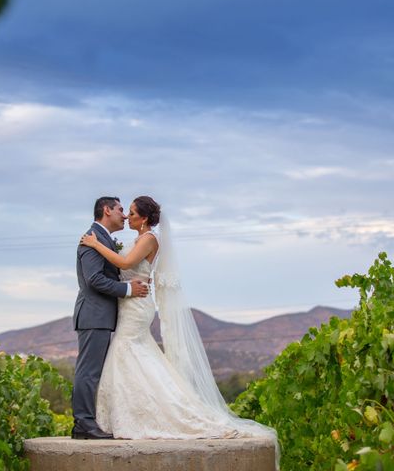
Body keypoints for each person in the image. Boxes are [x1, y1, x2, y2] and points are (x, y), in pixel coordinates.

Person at [79, 196, 278, 463]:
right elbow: (114, 269)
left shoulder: (149, 238)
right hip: (129, 303)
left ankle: (147, 413)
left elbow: (125, 265)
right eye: (124, 211)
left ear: (145, 219)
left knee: (127, 351)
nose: (127, 216)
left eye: (133, 212)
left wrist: (95, 245)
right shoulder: (138, 239)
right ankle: (124, 414)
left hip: (136, 304)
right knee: (132, 354)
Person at [71, 197, 150, 440]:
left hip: (103, 315)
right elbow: (94, 279)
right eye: (120, 209)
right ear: (106, 210)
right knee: (89, 371)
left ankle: (88, 422)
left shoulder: (102, 240)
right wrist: (128, 289)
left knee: (95, 371)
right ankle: (83, 424)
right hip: (94, 314)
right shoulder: (90, 240)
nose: (124, 215)